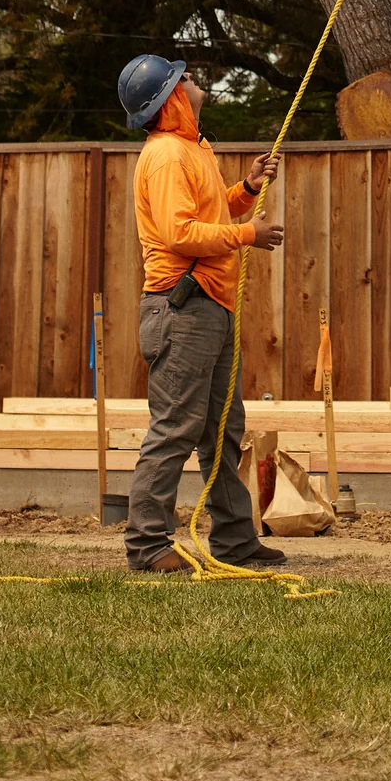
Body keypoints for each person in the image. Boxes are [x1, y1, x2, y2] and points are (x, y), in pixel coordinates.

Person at [119, 53, 287, 574]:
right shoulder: (168, 155)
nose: (192, 81)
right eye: (184, 78)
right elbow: (180, 234)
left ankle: (235, 542)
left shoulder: (193, 149)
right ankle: (146, 546)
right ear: (170, 98)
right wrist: (248, 236)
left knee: (222, 429)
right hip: (183, 308)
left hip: (207, 306)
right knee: (175, 428)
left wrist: (248, 189)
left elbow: (207, 213)